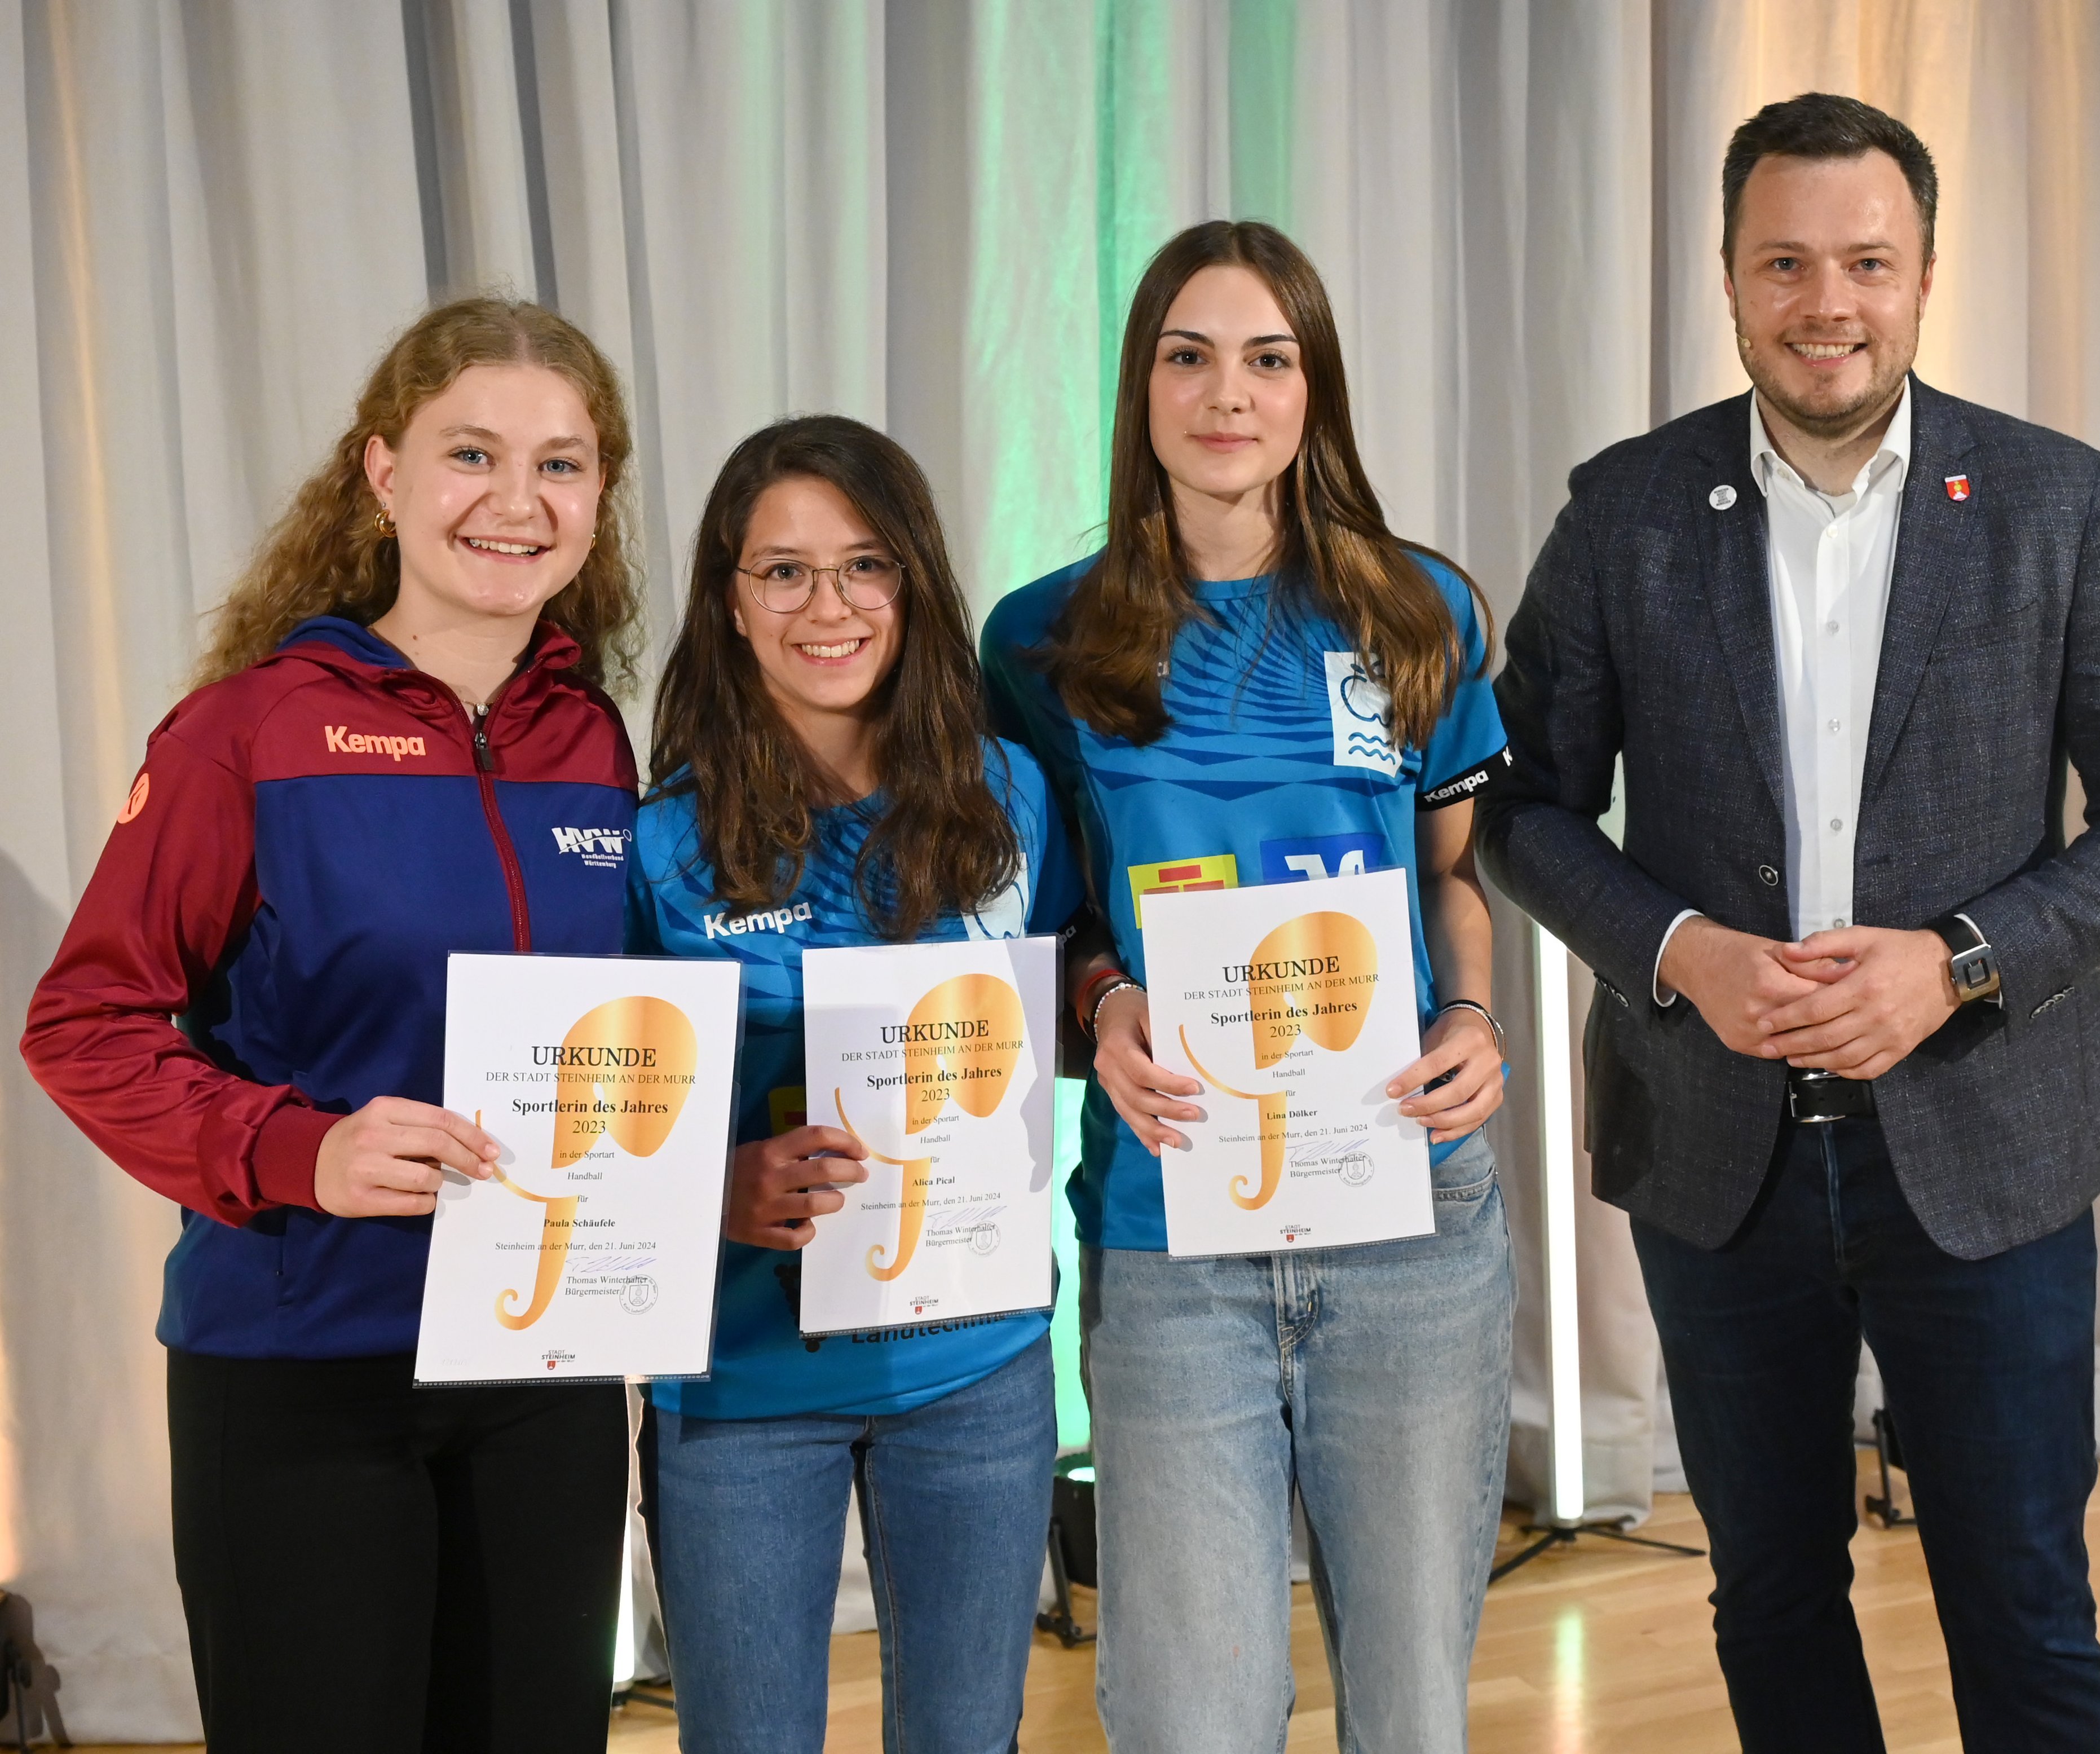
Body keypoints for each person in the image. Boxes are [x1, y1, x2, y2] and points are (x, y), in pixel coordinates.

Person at [1479, 92, 2100, 1752]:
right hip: (1711, 1153)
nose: (1828, 301)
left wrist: (1954, 961)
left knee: (2022, 1598)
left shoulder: (2053, 503)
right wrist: (1679, 949)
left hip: (1988, 1150)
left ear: (1923, 275)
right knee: (1768, 1593)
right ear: (1730, 282)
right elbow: (1514, 806)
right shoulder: (1622, 512)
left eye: (1866, 262)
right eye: (1786, 262)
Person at [20, 298, 646, 1752]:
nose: (516, 500)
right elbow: (85, 1022)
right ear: (382, 473)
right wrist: (298, 1153)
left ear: (599, 495)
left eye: (561, 464)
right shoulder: (246, 734)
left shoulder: (599, 744)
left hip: (542, 1369)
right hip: (301, 1370)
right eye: (470, 453)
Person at [983, 219, 1515, 1754]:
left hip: (1407, 1207)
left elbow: (1449, 880)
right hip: (1169, 1233)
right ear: (1140, 390)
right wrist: (1097, 1005)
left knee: (1410, 1706)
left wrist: (1472, 1020)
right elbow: (1041, 917)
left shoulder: (1419, 610)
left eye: (1267, 359)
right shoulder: (1039, 636)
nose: (1229, 393)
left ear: (1312, 391)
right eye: (1188, 355)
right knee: (1189, 1711)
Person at [628, 415, 1081, 1754]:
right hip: (743, 1392)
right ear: (730, 598)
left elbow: (1060, 993)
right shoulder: (661, 843)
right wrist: (711, 1188)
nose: (827, 606)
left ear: (914, 584)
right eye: (784, 571)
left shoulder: (1009, 795)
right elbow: (592, 1113)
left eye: (864, 565)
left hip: (980, 1369)